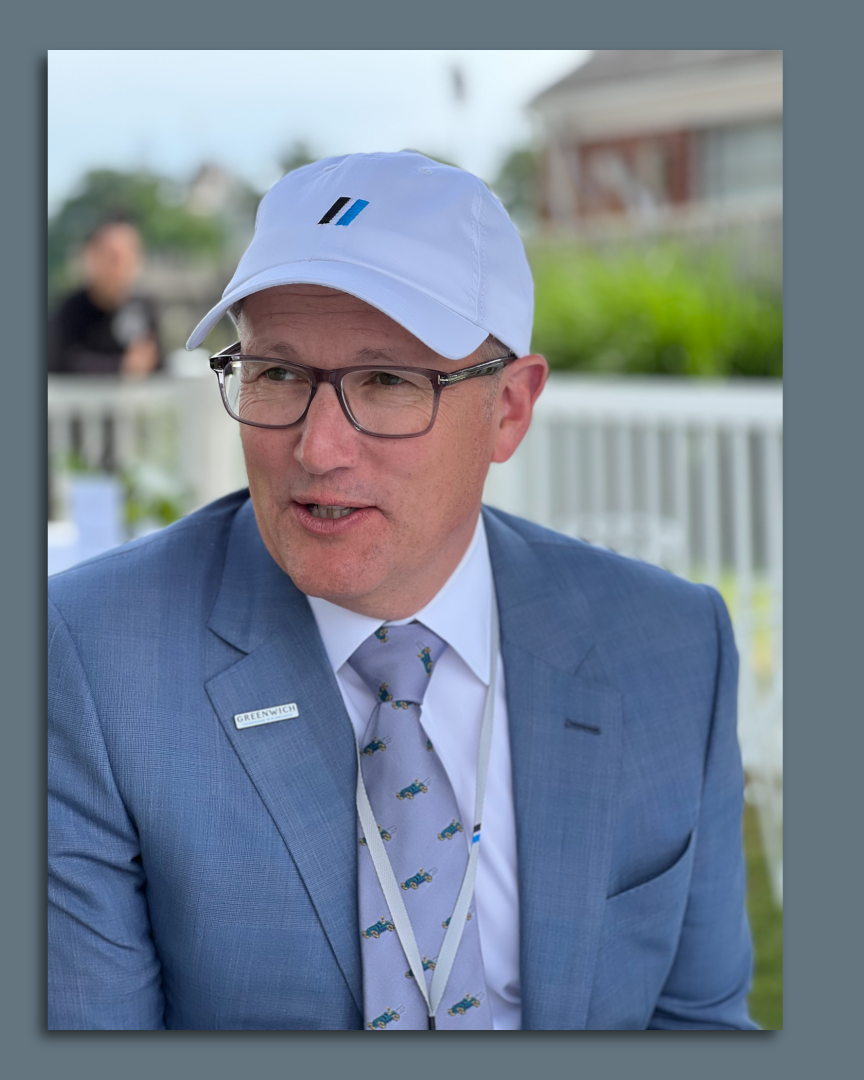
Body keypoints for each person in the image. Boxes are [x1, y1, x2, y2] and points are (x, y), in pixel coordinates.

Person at [48, 152, 754, 1030]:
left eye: (386, 381)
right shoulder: (93, 655)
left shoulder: (674, 647)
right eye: (279, 373)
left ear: (508, 410)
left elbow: (701, 1024)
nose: (318, 448)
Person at [46, 214, 161, 377]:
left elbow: (159, 365)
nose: (122, 267)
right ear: (92, 257)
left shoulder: (143, 308)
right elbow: (61, 363)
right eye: (113, 258)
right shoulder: (70, 310)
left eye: (130, 256)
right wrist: (122, 367)